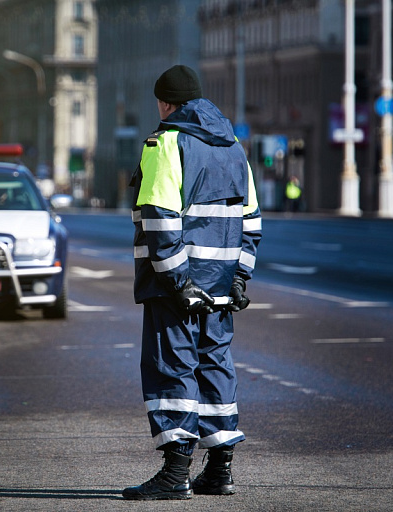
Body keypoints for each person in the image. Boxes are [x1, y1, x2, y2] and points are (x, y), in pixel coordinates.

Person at [123, 65, 262, 501]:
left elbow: (160, 221)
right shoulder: (233, 146)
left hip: (176, 288)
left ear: (165, 103)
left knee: (172, 369)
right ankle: (220, 471)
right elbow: (250, 221)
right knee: (215, 368)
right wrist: (239, 276)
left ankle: (175, 473)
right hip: (220, 285)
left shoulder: (165, 143)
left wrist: (177, 282)